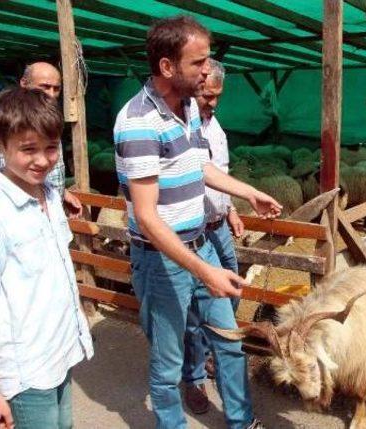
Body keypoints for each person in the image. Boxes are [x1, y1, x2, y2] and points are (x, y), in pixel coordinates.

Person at [114, 16, 280, 429]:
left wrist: (247, 192)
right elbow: (148, 218)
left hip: (200, 242)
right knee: (168, 363)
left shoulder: (187, 106)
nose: (208, 70)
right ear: (167, 67)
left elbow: (198, 165)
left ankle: (242, 421)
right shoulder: (137, 122)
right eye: (199, 62)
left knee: (228, 343)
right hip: (160, 259)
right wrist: (206, 270)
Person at [0, 87, 94, 429]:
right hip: (25, 369)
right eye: (28, 149)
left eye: (51, 147)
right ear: (2, 146)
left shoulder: (51, 195)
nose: (42, 160)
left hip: (60, 350)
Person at [182, 59, 245, 414]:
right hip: (194, 232)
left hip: (218, 224)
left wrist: (232, 208)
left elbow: (220, 171)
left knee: (232, 290)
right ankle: (194, 378)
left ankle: (210, 349)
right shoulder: (185, 124)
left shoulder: (215, 125)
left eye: (218, 96)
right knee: (193, 311)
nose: (213, 102)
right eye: (208, 95)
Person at [0, 62, 82, 218]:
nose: (51, 94)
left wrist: (59, 193)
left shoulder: (49, 121)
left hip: (50, 207)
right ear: (24, 83)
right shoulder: (10, 124)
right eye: (45, 86)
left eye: (56, 88)